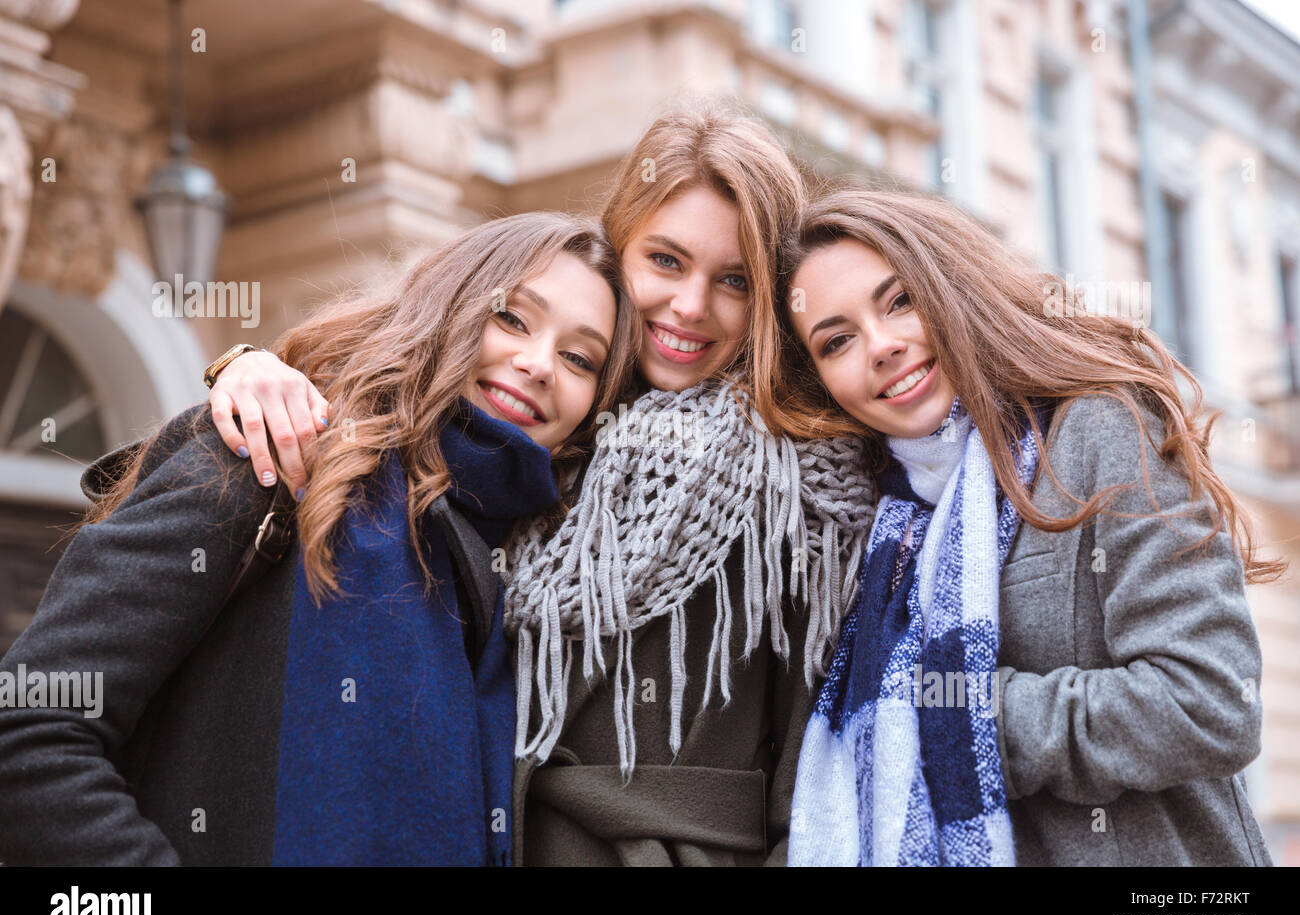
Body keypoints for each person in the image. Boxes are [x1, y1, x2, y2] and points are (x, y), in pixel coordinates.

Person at [195, 100, 877, 865]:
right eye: (665, 261)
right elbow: (398, 371)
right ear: (619, 250)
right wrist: (250, 365)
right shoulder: (538, 429)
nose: (690, 305)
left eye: (734, 280)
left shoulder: (801, 487)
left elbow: (818, 769)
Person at [0, 211, 638, 865]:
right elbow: (28, 729)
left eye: (578, 357)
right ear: (450, 309)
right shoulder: (267, 458)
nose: (537, 364)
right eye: (512, 318)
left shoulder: (548, 584)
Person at [771, 186, 1278, 866]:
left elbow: (1210, 702)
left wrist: (969, 718)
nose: (882, 346)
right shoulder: (870, 526)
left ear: (951, 288)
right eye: (838, 341)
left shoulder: (1097, 431)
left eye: (900, 301)